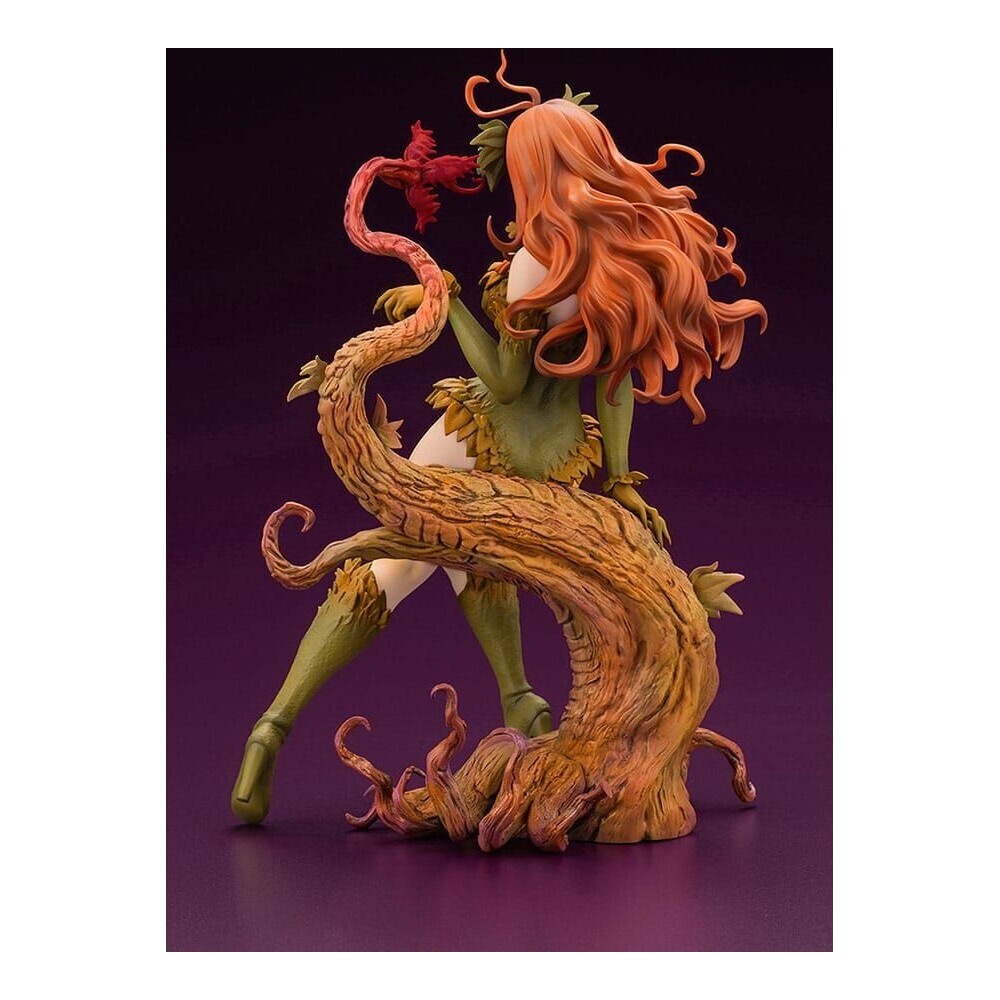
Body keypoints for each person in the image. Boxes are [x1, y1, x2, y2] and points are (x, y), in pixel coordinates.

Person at [230, 55, 766, 824]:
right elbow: (615, 384)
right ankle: (521, 697)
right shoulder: (617, 251)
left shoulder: (535, 263)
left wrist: (445, 300)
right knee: (485, 561)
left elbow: (508, 384)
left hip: (483, 437)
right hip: (558, 460)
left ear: (534, 171)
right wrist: (619, 480)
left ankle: (272, 727)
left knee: (384, 571)